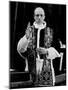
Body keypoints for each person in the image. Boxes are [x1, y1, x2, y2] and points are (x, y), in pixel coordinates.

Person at [17, 7, 60, 86]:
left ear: (44, 16)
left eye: (41, 15)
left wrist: (47, 51)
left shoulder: (50, 31)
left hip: (47, 68)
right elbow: (20, 50)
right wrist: (26, 38)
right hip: (31, 66)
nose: (39, 17)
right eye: (37, 15)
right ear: (34, 16)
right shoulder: (29, 30)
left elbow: (57, 48)